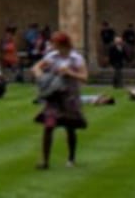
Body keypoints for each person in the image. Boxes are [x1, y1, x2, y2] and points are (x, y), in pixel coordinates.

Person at [32, 31, 88, 170]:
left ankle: (71, 158)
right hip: (54, 96)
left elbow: (85, 77)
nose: (52, 45)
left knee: (70, 128)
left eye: (54, 42)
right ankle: (45, 161)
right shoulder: (52, 56)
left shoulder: (76, 58)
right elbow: (36, 67)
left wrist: (70, 73)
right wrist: (42, 78)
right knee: (48, 126)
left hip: (69, 96)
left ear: (62, 43)